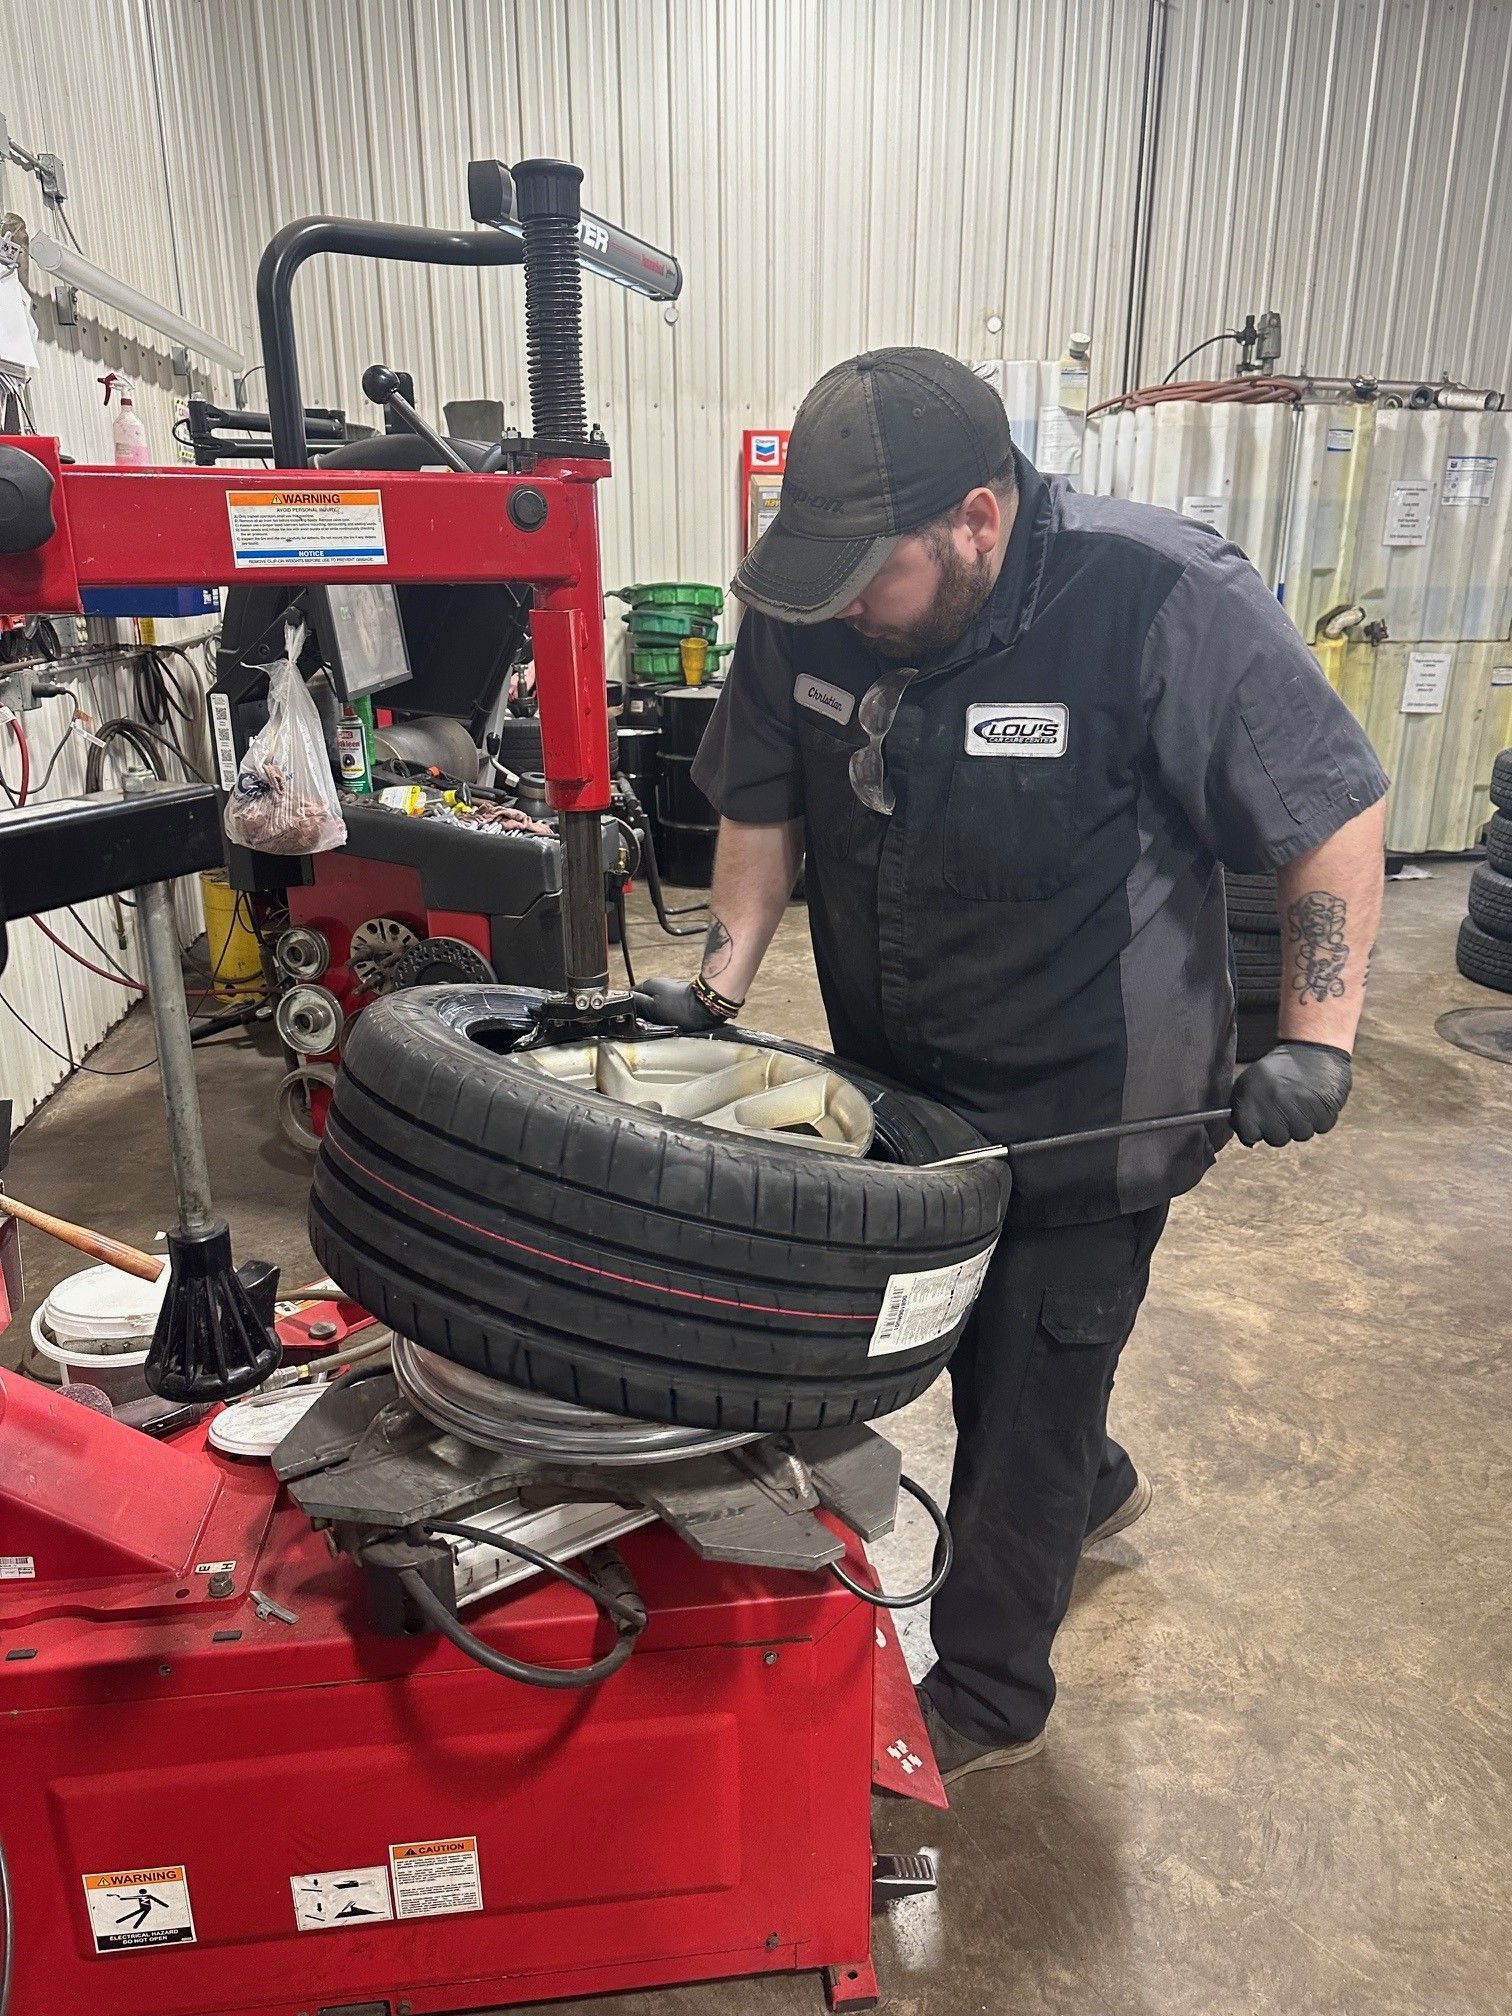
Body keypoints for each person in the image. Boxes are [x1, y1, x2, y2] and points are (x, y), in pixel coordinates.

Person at [634, 347, 1387, 1784]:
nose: (849, 607)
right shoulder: (816, 605)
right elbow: (761, 800)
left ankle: (983, 1692)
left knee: (1025, 1384)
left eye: (877, 578)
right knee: (960, 1343)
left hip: (1094, 1109)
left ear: (978, 518)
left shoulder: (1159, 595)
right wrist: (720, 973)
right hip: (905, 1096)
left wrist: (1320, 1036)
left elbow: (1331, 809)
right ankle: (1086, 1475)